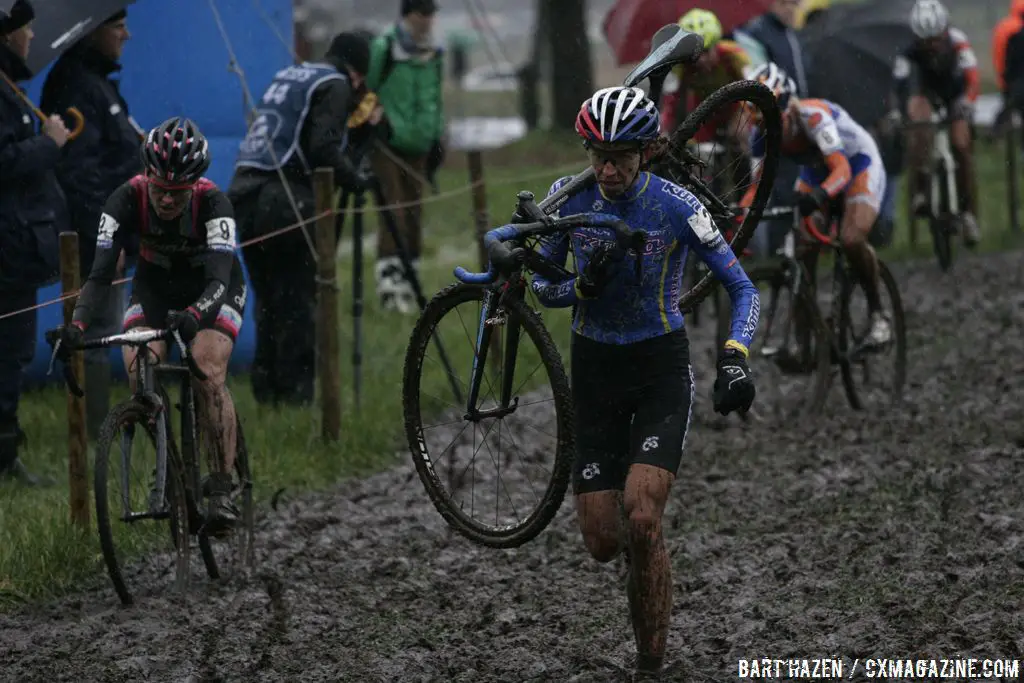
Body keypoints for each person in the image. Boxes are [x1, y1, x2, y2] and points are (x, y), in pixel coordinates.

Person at [530, 86, 759, 681]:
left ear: (648, 151)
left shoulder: (678, 207)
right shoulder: (570, 200)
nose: (606, 169)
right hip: (595, 370)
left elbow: (743, 289)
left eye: (620, 157)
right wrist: (577, 288)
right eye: (596, 155)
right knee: (604, 542)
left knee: (642, 515)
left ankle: (650, 664)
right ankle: (643, 558)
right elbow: (543, 285)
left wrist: (734, 357)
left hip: (660, 367)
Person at [61, 118, 244, 534]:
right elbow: (100, 274)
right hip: (155, 287)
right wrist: (78, 324)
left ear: (194, 185)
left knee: (206, 365)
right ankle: (171, 466)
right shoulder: (124, 198)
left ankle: (220, 487)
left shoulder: (216, 205)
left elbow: (219, 278)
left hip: (213, 290)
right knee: (137, 368)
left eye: (176, 194)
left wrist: (196, 315)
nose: (164, 200)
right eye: (159, 189)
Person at [227, 32, 372, 406]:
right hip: (285, 199)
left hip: (243, 192)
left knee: (268, 301)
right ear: (358, 73)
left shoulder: (294, 74)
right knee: (297, 302)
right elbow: (322, 148)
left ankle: (267, 392)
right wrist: (355, 179)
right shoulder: (337, 85)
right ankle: (295, 397)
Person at [40, 7, 142, 439]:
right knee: (95, 333)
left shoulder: (98, 84)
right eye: (118, 27)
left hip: (108, 231)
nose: (127, 35)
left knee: (103, 330)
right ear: (94, 31)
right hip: (92, 234)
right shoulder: (78, 86)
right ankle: (97, 435)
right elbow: (80, 177)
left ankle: (100, 429)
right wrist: (108, 240)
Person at [743, 62, 892, 348]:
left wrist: (818, 198)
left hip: (857, 164)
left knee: (851, 239)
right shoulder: (759, 135)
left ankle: (878, 314)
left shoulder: (813, 116)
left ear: (786, 107)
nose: (766, 128)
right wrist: (739, 217)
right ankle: (808, 334)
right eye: (758, 121)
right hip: (818, 172)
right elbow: (756, 188)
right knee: (802, 247)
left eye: (771, 119)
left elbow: (842, 171)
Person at [0, 0, 67, 486]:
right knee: (9, 350)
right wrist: (49, 143)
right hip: (6, 250)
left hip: (14, 246)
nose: (31, 36)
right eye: (26, 28)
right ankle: (3, 458)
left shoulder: (11, 89)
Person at [367, 0, 445, 314]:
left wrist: (437, 133)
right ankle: (389, 285)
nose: (426, 20)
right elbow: (368, 89)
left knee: (414, 214)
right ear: (407, 15)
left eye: (430, 14)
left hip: (422, 144)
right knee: (393, 211)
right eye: (421, 14)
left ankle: (410, 281)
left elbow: (436, 94)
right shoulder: (383, 48)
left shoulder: (435, 53)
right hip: (387, 143)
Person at [894, 0, 981, 246]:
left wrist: (967, 101)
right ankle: (920, 189)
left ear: (945, 31)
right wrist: (897, 112)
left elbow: (973, 78)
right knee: (919, 124)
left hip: (956, 95)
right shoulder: (909, 50)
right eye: (926, 41)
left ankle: (967, 213)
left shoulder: (958, 42)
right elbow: (898, 85)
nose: (932, 46)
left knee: (961, 147)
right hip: (927, 95)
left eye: (936, 39)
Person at [734, 0, 809, 257]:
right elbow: (757, 72)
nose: (792, 9)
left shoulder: (790, 33)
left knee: (796, 183)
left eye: (796, 3)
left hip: (796, 113)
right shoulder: (759, 32)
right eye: (787, 3)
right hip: (771, 117)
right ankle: (773, 248)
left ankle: (793, 245)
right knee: (775, 184)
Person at [657, 9, 750, 146]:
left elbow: (754, 89)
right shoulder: (680, 65)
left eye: (706, 51)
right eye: (695, 54)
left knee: (741, 136)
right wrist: (663, 132)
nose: (701, 60)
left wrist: (742, 116)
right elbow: (670, 102)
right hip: (703, 113)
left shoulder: (734, 55)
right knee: (695, 150)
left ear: (716, 44)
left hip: (735, 108)